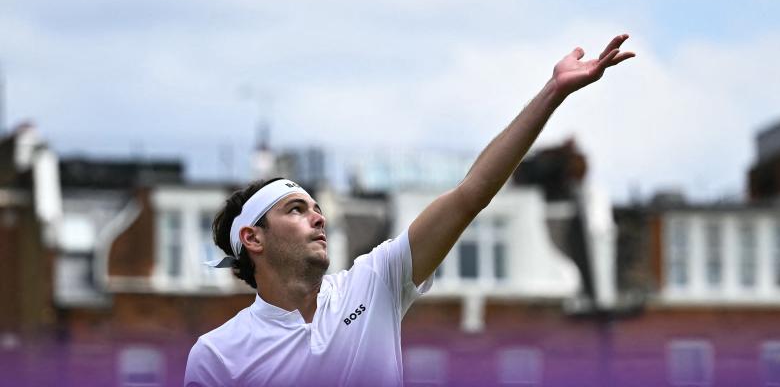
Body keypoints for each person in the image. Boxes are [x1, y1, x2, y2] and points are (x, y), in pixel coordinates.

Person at [184, 34, 634, 387]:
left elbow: (471, 193)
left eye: (317, 208)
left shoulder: (373, 282)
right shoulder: (218, 355)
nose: (319, 218)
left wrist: (553, 92)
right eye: (297, 210)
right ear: (253, 238)